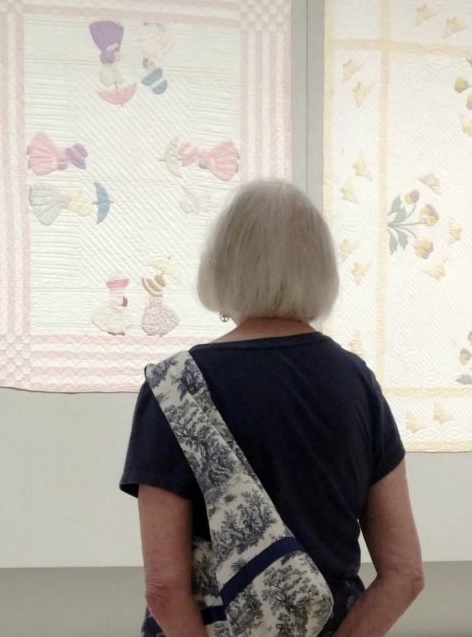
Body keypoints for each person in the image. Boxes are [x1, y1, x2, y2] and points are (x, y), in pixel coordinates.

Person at [120, 180, 423, 636]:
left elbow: (165, 587)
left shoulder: (174, 387)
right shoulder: (356, 381)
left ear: (223, 262)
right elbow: (404, 574)